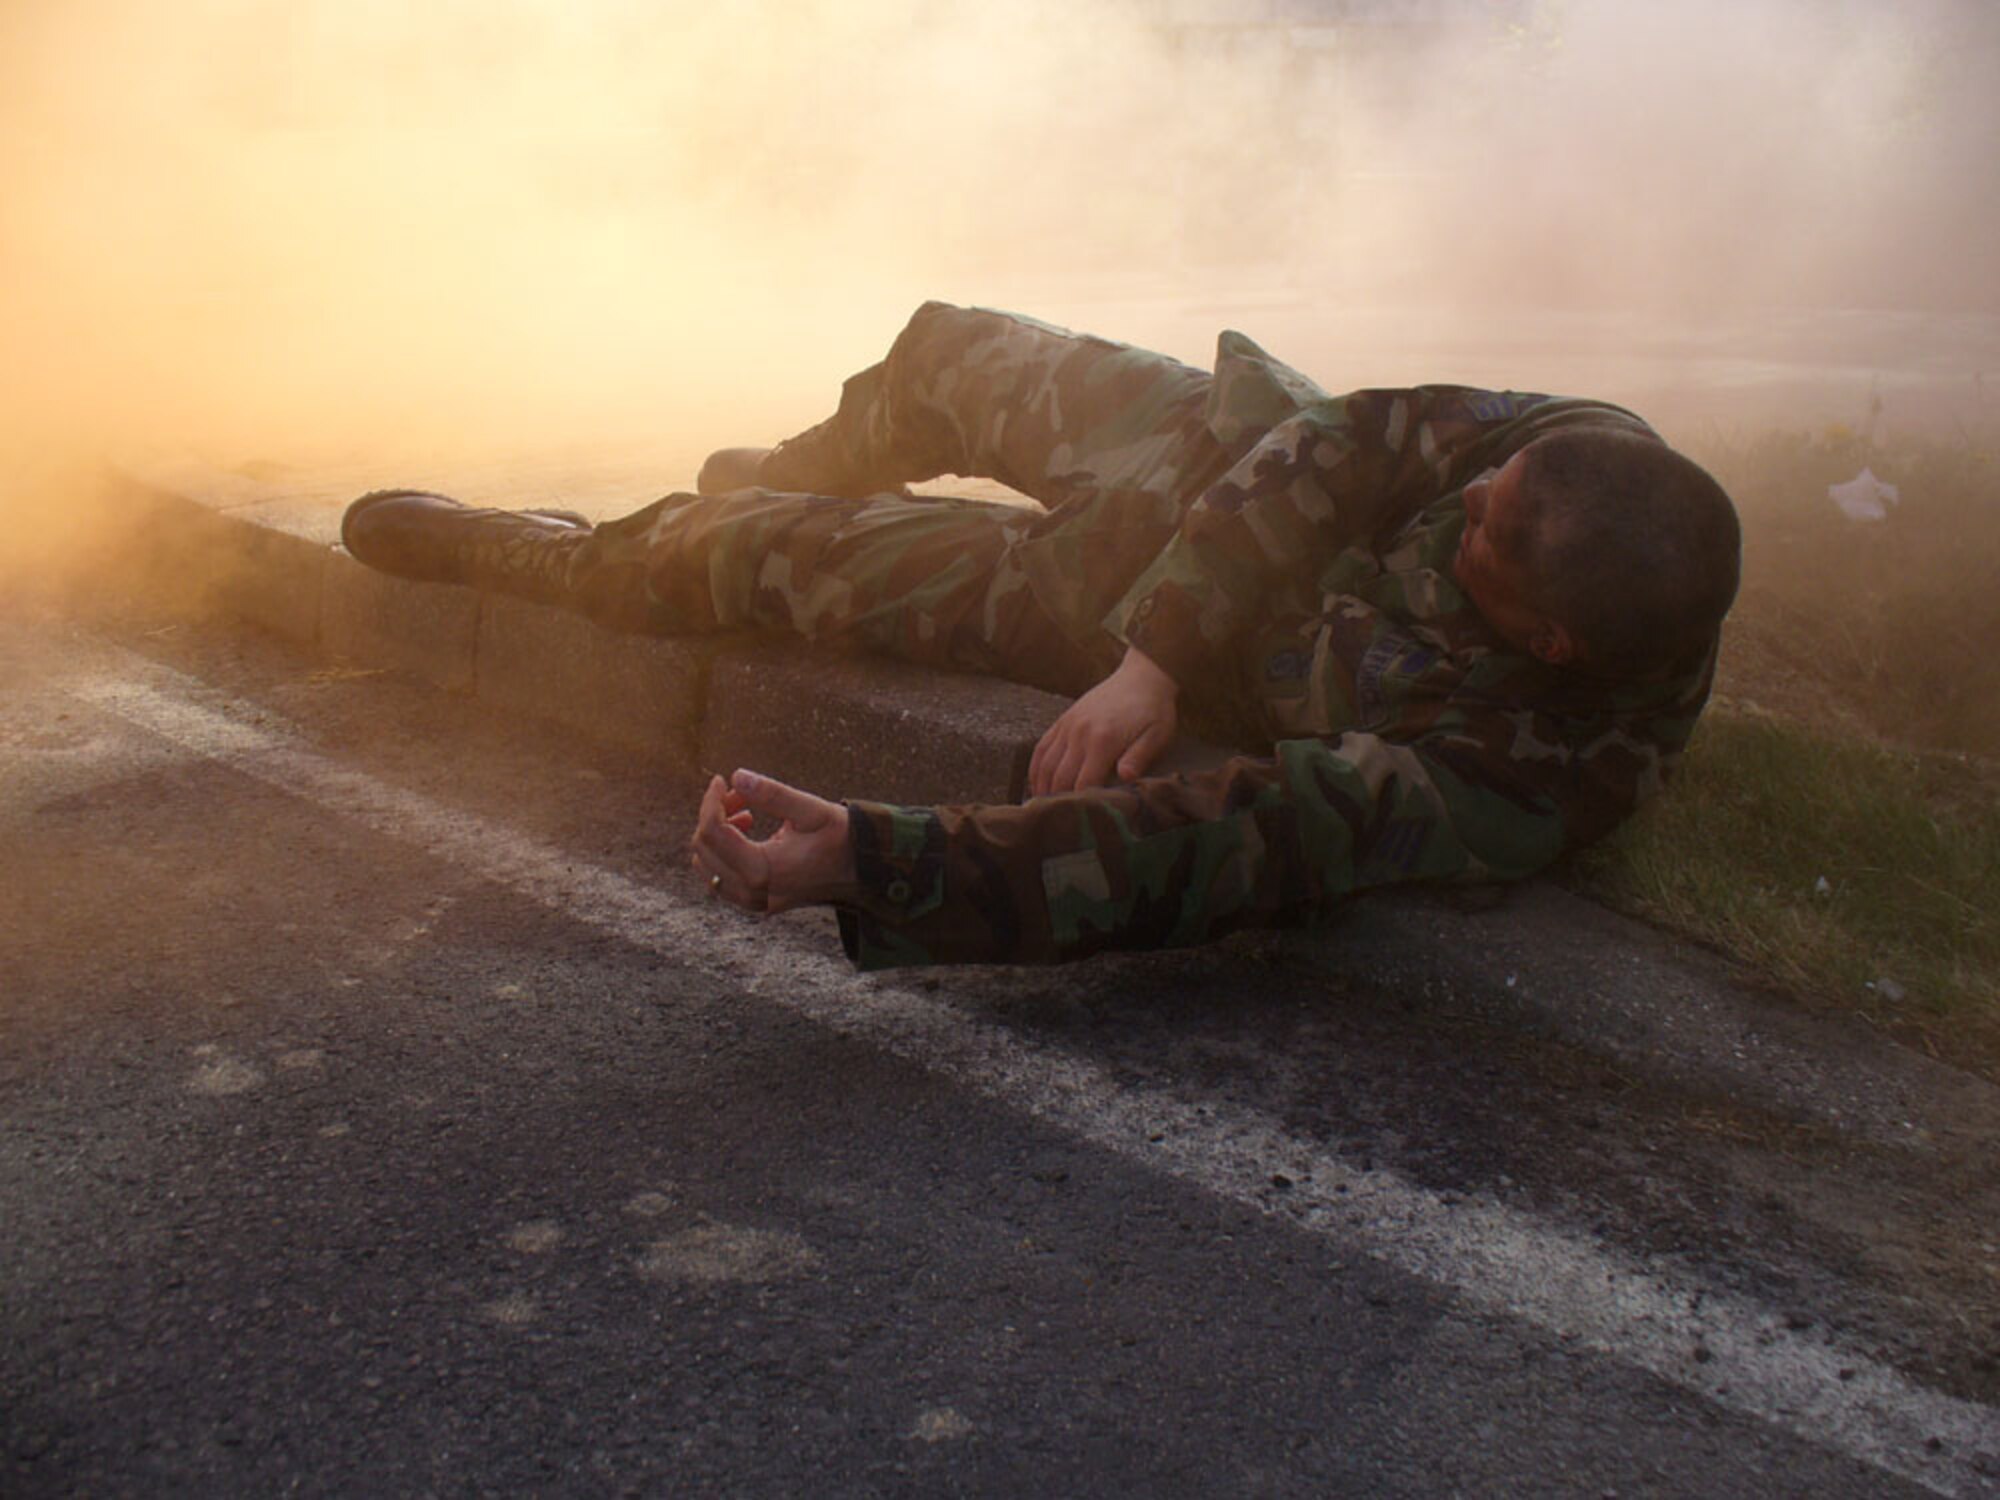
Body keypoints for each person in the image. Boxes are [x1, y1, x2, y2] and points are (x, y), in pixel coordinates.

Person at [341, 301, 1740, 968]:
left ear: (1551, 642)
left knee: (739, 561)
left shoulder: (1530, 773)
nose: (1462, 516)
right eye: (1484, 496)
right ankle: (794, 460)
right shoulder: (1581, 455)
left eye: (1481, 536)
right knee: (946, 354)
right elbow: (1347, 438)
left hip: (1072, 585)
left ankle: (538, 553)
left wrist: (883, 861)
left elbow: (1222, 842)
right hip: (1210, 461)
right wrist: (1161, 661)